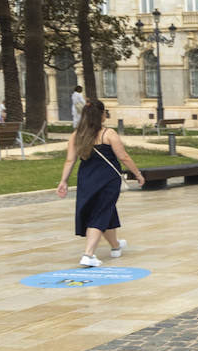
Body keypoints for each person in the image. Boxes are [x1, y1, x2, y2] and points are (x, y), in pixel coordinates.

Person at [56, 99, 145, 267]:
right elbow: (123, 157)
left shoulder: (76, 135)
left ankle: (115, 246)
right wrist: (137, 174)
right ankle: (88, 255)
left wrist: (64, 181)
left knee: (105, 211)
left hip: (86, 179)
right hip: (107, 180)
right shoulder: (108, 134)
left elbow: (70, 160)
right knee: (99, 213)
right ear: (101, 115)